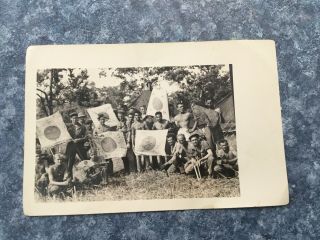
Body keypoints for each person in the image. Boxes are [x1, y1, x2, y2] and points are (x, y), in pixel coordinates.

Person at [65, 112, 87, 177]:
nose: (75, 120)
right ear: (71, 119)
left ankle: (90, 175)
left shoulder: (82, 127)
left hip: (79, 146)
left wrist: (79, 140)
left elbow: (85, 137)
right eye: (73, 118)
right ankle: (69, 178)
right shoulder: (68, 127)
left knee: (85, 160)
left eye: (76, 118)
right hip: (70, 146)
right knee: (69, 162)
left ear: (77, 119)